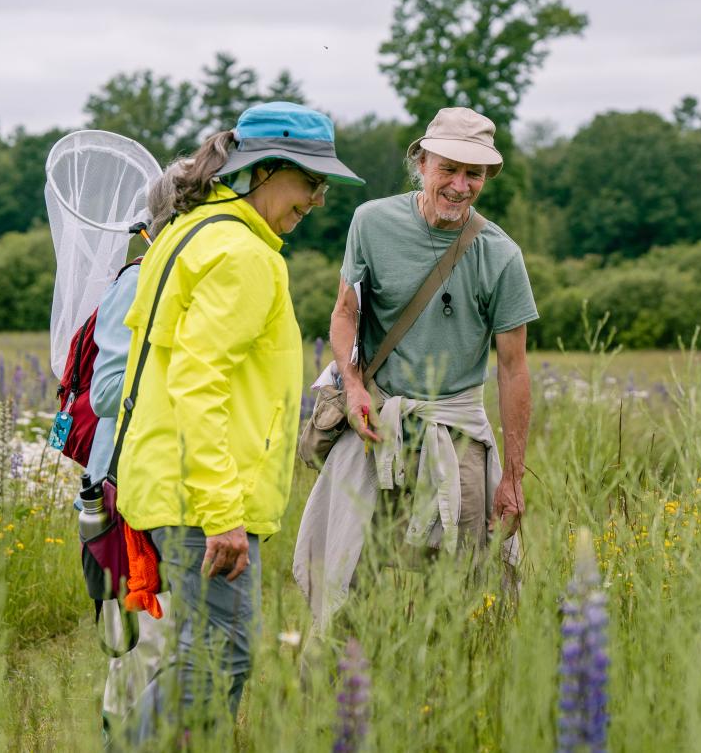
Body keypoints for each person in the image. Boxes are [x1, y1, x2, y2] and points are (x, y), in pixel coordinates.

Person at [112, 101, 364, 742]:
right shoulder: (243, 255)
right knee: (218, 658)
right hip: (201, 497)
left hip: (172, 481)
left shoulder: (190, 230)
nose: (316, 198)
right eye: (309, 181)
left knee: (210, 656)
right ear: (265, 170)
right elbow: (199, 382)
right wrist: (221, 510)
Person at [293, 106, 538, 630]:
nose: (459, 185)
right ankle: (344, 687)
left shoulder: (500, 254)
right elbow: (344, 313)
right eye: (448, 168)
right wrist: (353, 385)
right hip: (377, 424)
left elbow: (514, 370)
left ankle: (453, 683)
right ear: (421, 162)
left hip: (457, 432)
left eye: (474, 174)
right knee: (344, 576)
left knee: (469, 584)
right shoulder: (372, 222)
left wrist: (512, 477)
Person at [84, 163, 178, 744]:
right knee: (138, 642)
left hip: (164, 480)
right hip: (121, 486)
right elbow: (106, 390)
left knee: (164, 639)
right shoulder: (138, 280)